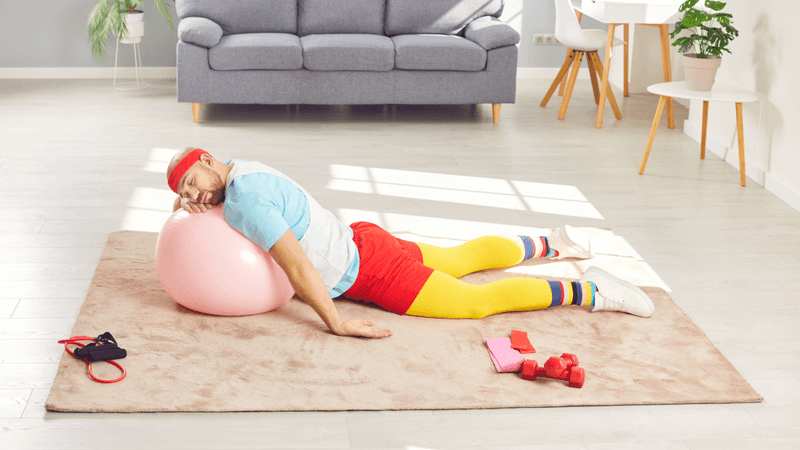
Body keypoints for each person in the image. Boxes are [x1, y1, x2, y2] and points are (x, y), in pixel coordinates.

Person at [166, 147, 655, 339]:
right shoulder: (243, 168)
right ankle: (552, 243)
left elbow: (295, 267)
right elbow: (232, 202)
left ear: (207, 161)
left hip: (366, 271)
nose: (193, 195)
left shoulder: (241, 202)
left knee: (473, 304)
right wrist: (195, 201)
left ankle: (590, 290)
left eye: (192, 183)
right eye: (185, 193)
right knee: (458, 258)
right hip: (362, 238)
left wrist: (335, 323)